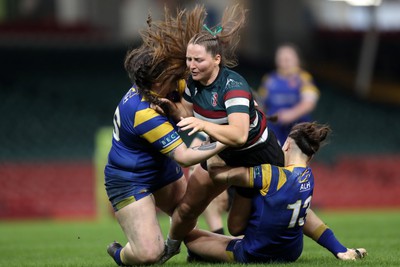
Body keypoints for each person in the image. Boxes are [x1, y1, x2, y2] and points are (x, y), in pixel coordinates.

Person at [136, 4, 365, 264]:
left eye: (197, 60)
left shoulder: (233, 87)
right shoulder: (192, 83)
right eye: (189, 59)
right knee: (188, 208)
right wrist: (171, 110)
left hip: (261, 157)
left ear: (216, 60)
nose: (191, 65)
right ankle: (170, 248)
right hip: (223, 153)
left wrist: (204, 128)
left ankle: (332, 248)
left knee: (239, 225)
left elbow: (238, 135)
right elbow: (190, 113)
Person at [103, 25, 228, 266]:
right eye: (171, 72)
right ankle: (120, 255)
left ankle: (209, 250)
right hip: (129, 178)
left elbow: (191, 111)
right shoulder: (143, 112)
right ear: (158, 78)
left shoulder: (169, 86)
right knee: (150, 253)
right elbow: (184, 156)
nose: (180, 74)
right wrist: (227, 138)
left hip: (160, 169)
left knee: (186, 223)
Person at [183, 122, 367, 263]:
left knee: (190, 237)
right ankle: (341, 250)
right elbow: (307, 219)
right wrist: (339, 249)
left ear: (286, 145)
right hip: (291, 253)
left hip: (255, 252)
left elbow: (218, 175)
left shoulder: (270, 174)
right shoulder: (308, 177)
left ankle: (204, 252)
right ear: (310, 156)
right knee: (300, 211)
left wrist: (217, 146)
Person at [258, 43, 320, 146]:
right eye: (281, 58)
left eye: (288, 58)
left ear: (297, 60)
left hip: (297, 130)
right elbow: (261, 102)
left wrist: (291, 114)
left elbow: (309, 102)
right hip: (274, 129)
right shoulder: (269, 79)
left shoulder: (303, 78)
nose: (285, 61)